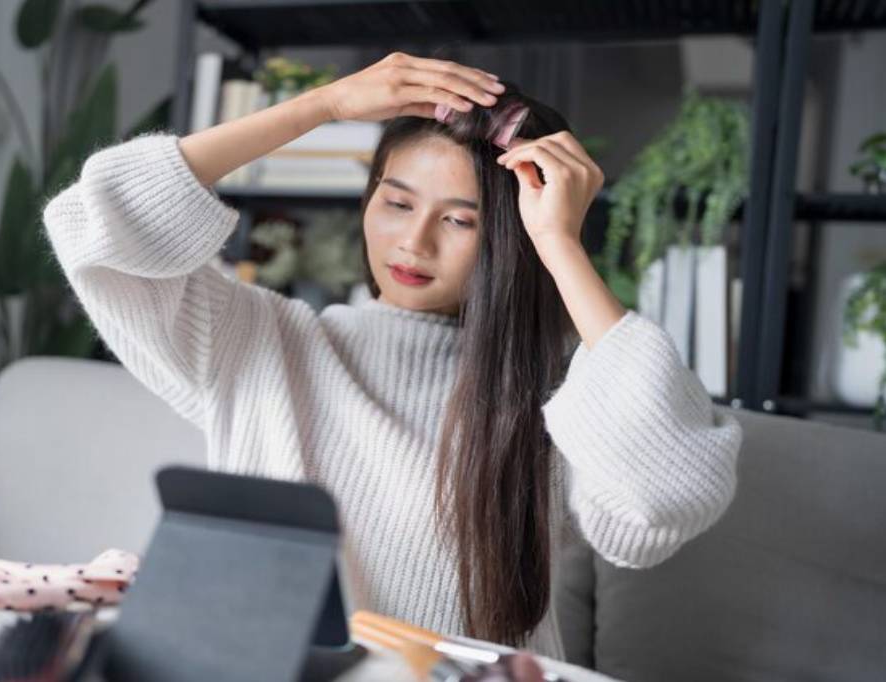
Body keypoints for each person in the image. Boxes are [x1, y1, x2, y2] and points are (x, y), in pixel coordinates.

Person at [41, 51, 742, 663]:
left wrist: (560, 245)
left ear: (513, 235)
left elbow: (659, 502)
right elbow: (91, 223)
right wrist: (323, 105)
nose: (413, 244)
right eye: (395, 202)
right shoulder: (259, 343)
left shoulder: (556, 393)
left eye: (460, 220)